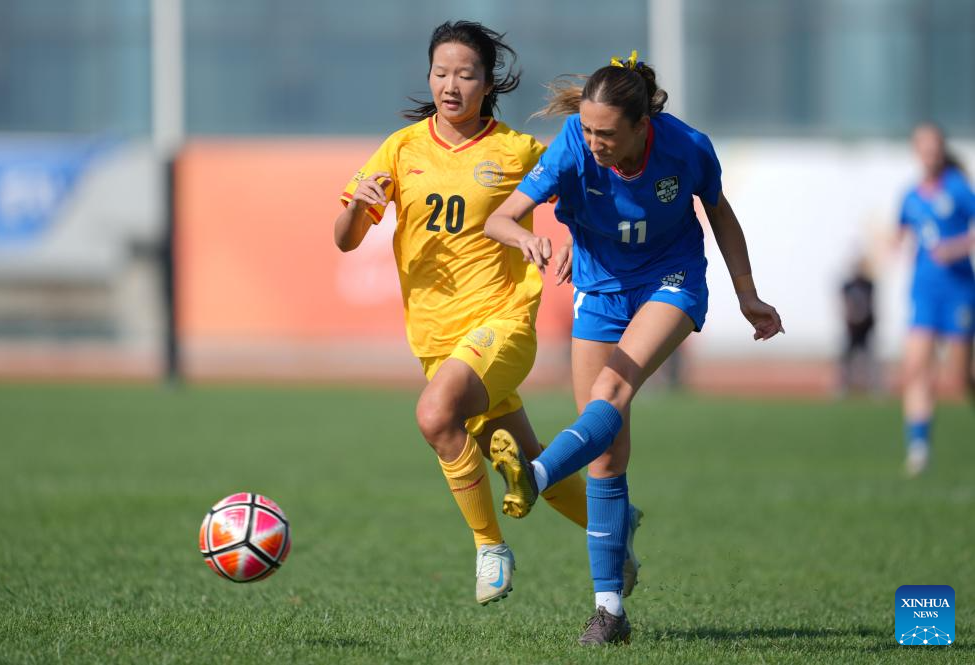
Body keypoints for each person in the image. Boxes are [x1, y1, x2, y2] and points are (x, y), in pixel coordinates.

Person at [332, 21, 642, 606]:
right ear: (429, 77)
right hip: (435, 340)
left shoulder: (516, 150)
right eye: (441, 73)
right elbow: (345, 240)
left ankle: (490, 546)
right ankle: (615, 527)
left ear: (488, 83)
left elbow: (589, 192)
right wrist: (358, 209)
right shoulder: (401, 149)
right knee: (526, 463)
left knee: (434, 415)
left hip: (503, 323)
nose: (451, 85)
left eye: (466, 74)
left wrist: (580, 240)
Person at [484, 51, 783, 644]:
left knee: (612, 389)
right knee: (605, 457)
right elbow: (501, 219)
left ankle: (535, 475)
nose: (594, 142)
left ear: (643, 126)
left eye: (607, 134)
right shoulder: (572, 147)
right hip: (599, 290)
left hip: (671, 280)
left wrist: (746, 293)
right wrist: (526, 240)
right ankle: (610, 613)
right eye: (587, 129)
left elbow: (720, 214)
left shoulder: (687, 148)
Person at [896, 122, 975, 477]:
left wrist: (956, 247)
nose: (929, 153)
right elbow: (900, 234)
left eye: (935, 147)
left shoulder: (958, 189)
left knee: (960, 377)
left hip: (958, 291)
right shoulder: (911, 196)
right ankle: (919, 449)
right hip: (924, 292)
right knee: (915, 368)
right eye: (924, 147)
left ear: (942, 151)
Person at [838, 258, 878, 396]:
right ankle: (843, 386)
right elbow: (845, 304)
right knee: (846, 358)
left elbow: (871, 304)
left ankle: (875, 387)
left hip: (866, 327)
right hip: (852, 328)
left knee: (870, 358)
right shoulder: (847, 285)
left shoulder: (869, 285)